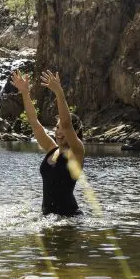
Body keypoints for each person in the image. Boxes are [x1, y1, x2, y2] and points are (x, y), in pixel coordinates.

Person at [11, 69, 84, 216]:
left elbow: (66, 123)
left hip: (69, 218)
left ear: (75, 132)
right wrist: (25, 93)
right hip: (47, 217)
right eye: (57, 127)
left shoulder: (77, 151)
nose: (58, 131)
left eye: (62, 129)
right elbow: (34, 122)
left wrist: (58, 92)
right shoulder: (51, 148)